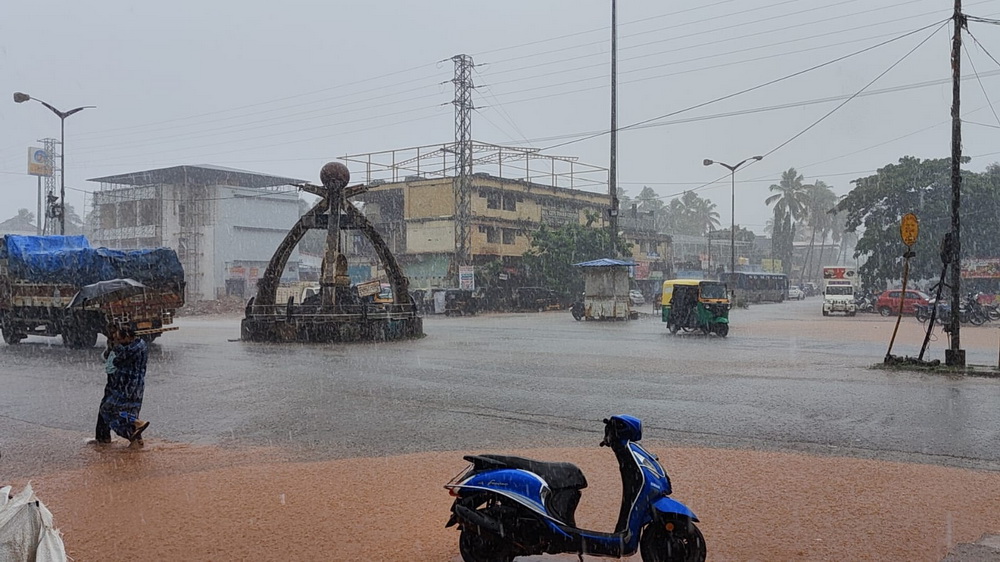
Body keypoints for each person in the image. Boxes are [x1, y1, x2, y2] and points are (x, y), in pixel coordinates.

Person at [94, 323, 150, 447]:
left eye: (120, 339)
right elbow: (107, 357)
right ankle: (131, 437)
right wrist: (111, 346)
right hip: (124, 385)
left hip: (127, 386)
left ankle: (134, 426)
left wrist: (115, 347)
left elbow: (116, 361)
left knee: (110, 410)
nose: (118, 341)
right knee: (121, 409)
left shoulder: (134, 349)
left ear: (128, 337)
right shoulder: (138, 344)